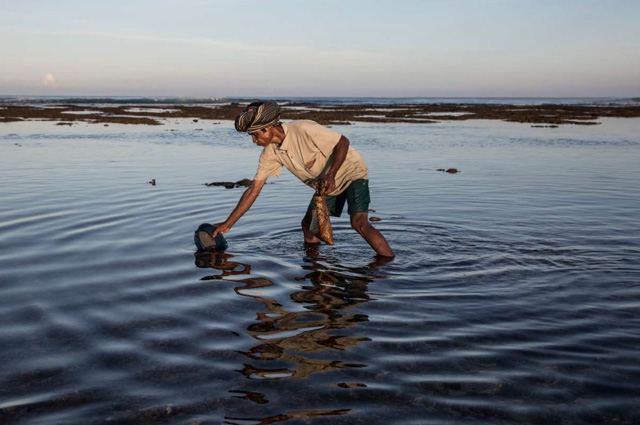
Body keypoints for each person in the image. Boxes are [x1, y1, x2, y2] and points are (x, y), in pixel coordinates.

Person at [213, 101, 394, 257]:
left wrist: (331, 175)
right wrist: (228, 224)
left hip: (351, 170)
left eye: (255, 135)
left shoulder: (303, 129)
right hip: (325, 183)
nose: (253, 140)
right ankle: (315, 266)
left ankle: (390, 263)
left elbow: (343, 142)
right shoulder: (270, 154)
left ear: (267, 128)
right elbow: (253, 190)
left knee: (358, 222)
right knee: (308, 225)